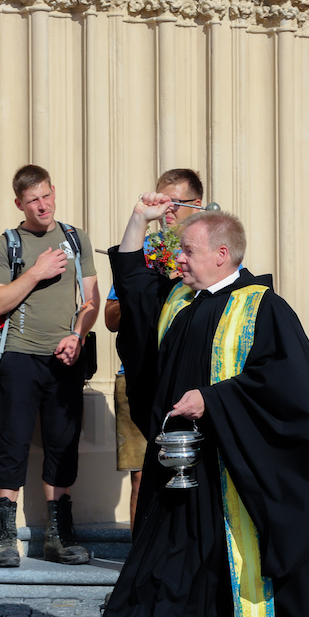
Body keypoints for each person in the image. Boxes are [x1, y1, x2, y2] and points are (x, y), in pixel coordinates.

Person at [94, 202, 309, 617]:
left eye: (188, 251)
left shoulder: (263, 308)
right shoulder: (178, 300)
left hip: (241, 475)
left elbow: (288, 386)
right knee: (169, 577)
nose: (177, 258)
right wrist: (139, 219)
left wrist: (213, 400)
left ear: (222, 254)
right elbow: (135, 288)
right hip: (181, 478)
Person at [0, 165, 100, 568]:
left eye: (46, 196)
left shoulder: (74, 237)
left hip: (66, 357)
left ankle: (58, 536)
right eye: (33, 200)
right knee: (12, 444)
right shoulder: (7, 245)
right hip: (19, 355)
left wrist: (78, 336)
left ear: (54, 192)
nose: (42, 205)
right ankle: (2, 538)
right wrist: (36, 272)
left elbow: (91, 302)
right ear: (20, 203)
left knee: (62, 443)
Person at [103, 168, 202, 531]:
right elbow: (112, 317)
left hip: (185, 383)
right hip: (138, 376)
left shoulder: (204, 254)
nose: (168, 211)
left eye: (175, 202)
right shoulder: (145, 251)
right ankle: (137, 564)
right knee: (143, 475)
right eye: (163, 202)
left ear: (198, 204)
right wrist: (147, 289)